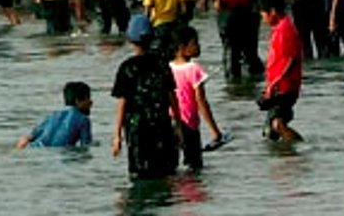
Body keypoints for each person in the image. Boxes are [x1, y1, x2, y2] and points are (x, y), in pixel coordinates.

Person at [109, 15, 180, 179]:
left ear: (130, 40)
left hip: (137, 129)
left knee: (140, 174)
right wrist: (178, 126)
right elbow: (172, 98)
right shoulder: (162, 64)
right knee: (166, 172)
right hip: (162, 125)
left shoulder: (127, 68)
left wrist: (117, 135)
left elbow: (122, 102)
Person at [169, 25, 224, 169]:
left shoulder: (168, 68)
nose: (199, 47)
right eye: (195, 43)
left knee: (171, 165)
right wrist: (215, 131)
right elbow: (201, 102)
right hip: (189, 125)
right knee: (194, 166)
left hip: (171, 124)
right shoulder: (194, 69)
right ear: (182, 47)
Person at [260, 0, 303, 141]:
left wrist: (276, 82)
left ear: (272, 11)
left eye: (263, 13)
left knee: (277, 125)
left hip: (285, 87)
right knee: (271, 132)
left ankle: (301, 148)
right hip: (278, 87)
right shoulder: (279, 28)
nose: (262, 17)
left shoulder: (285, 30)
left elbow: (292, 59)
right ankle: (285, 160)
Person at [17, 80, 93, 149]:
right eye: (88, 98)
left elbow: (29, 137)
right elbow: (86, 146)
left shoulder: (54, 115)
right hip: (56, 152)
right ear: (78, 101)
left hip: (34, 148)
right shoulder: (83, 119)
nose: (91, 102)